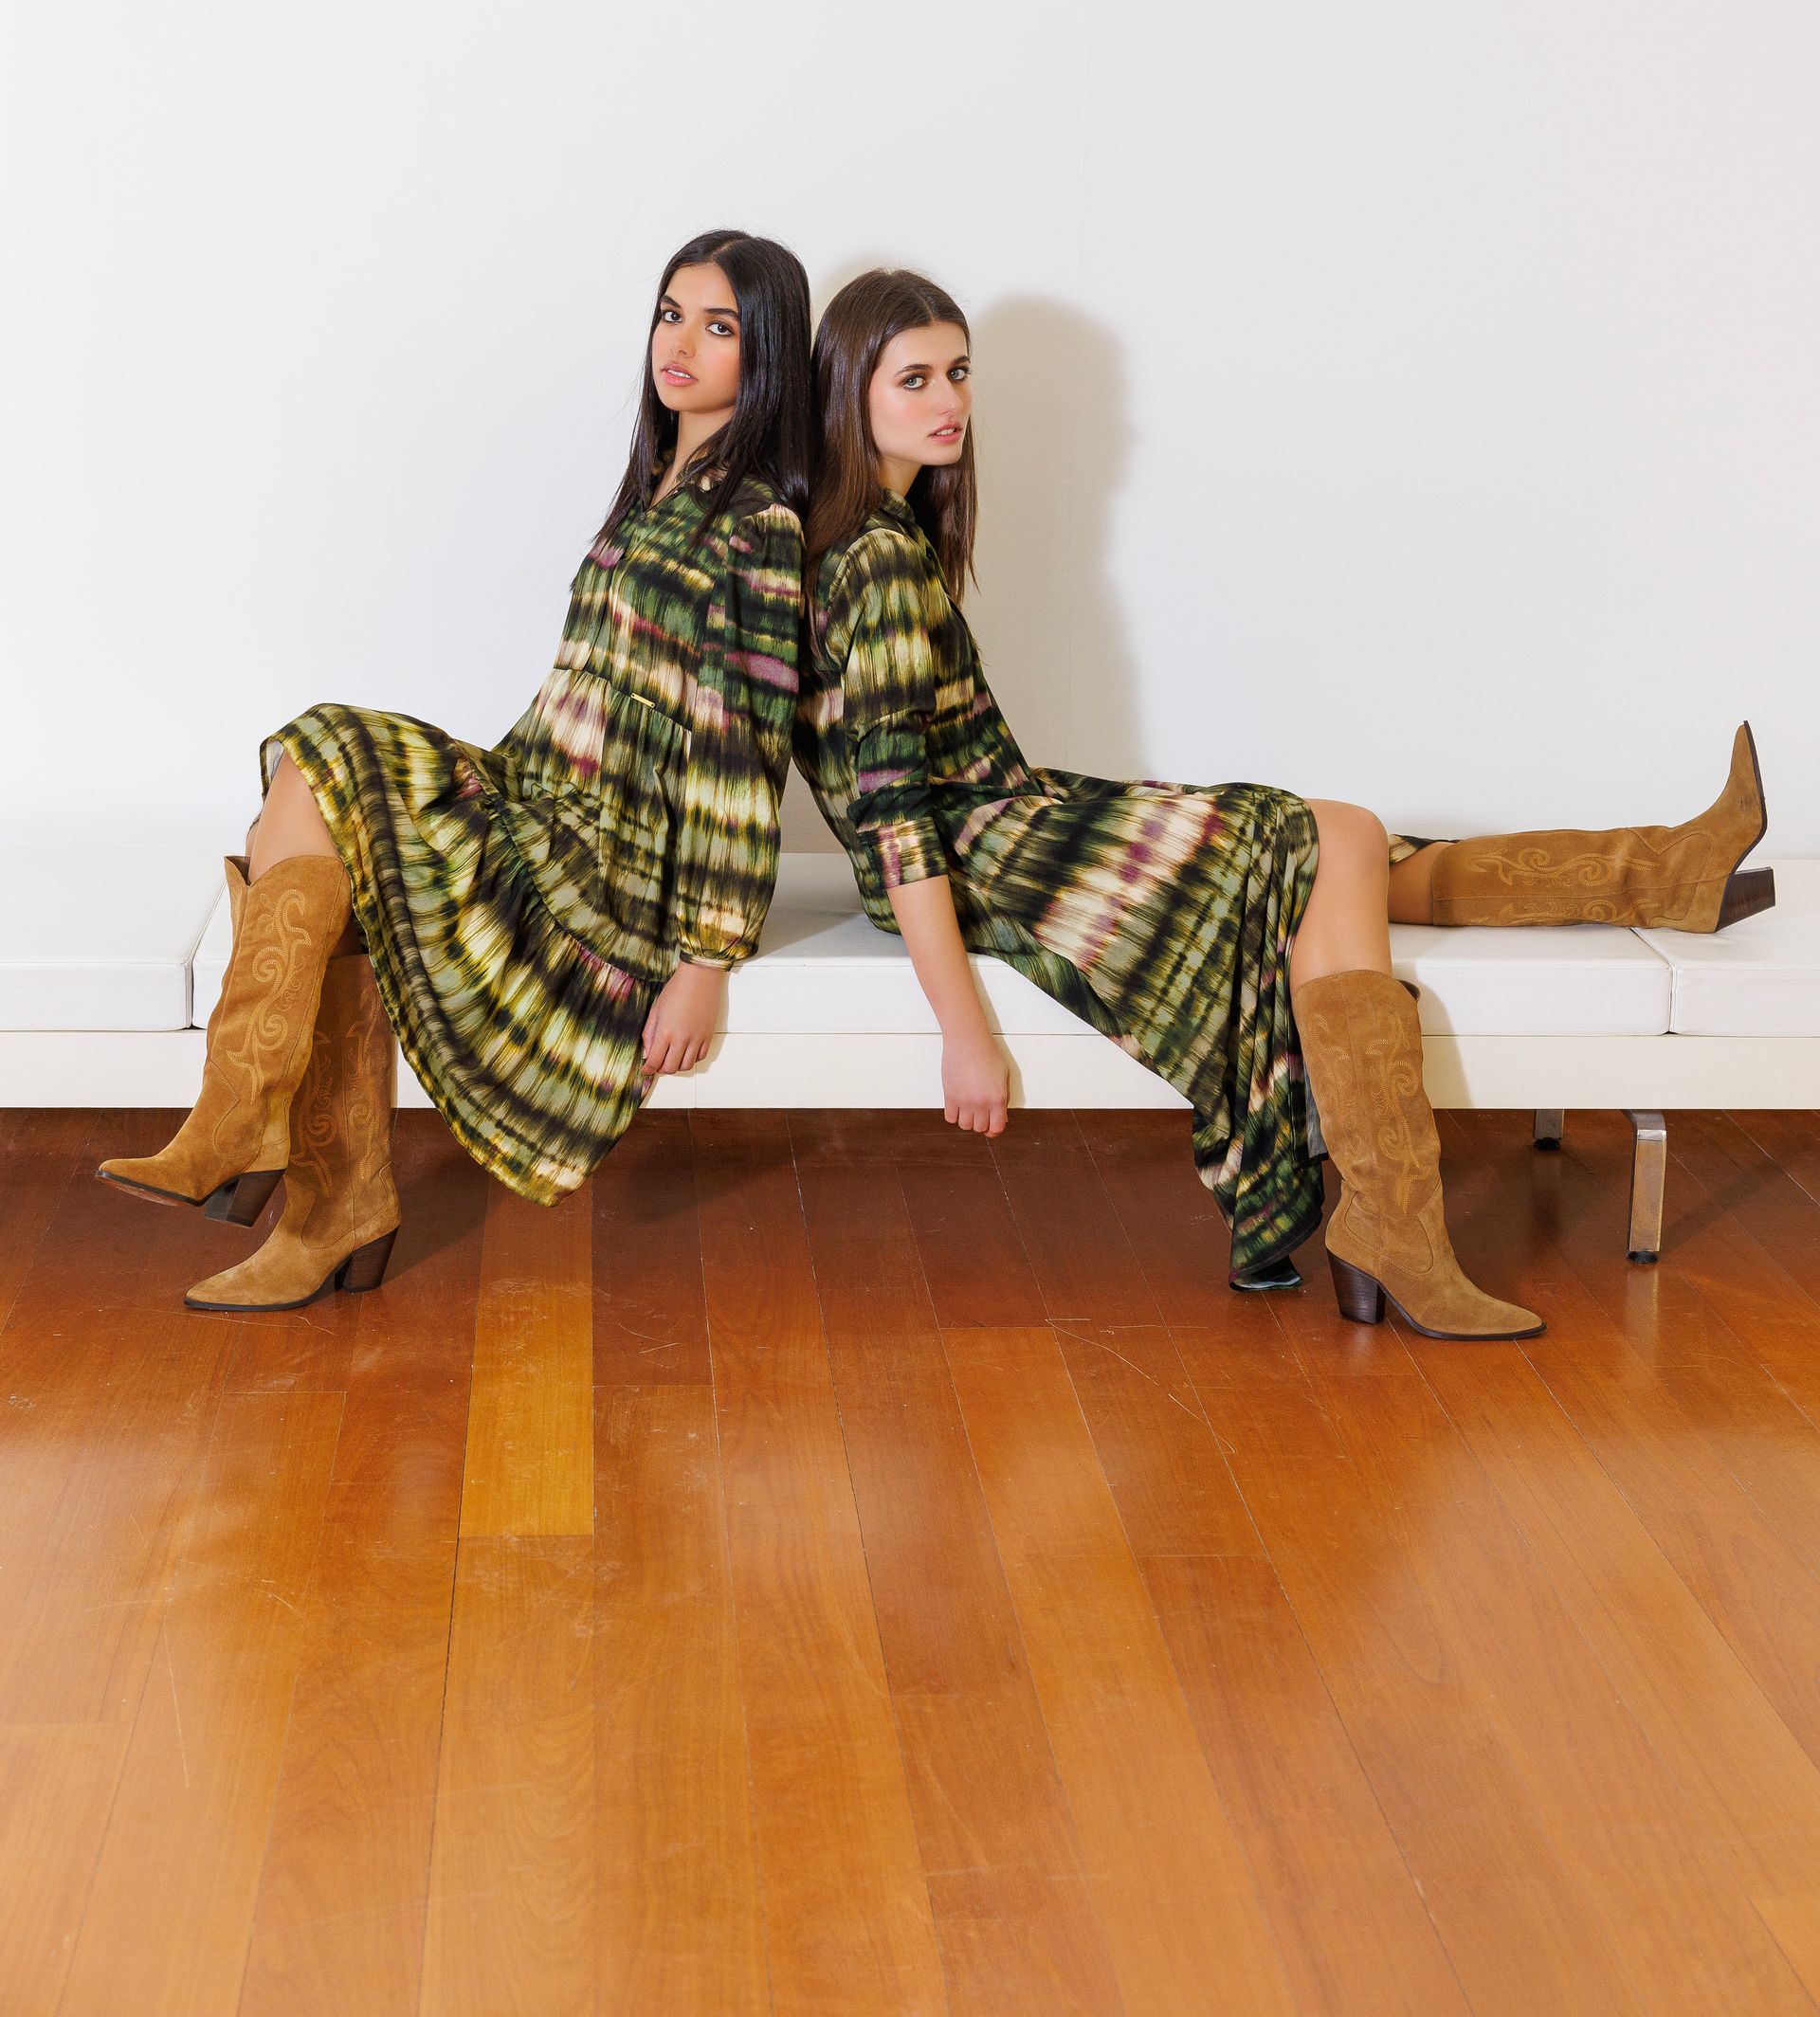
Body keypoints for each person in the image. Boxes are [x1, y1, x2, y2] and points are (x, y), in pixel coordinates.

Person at [793, 269, 1774, 1342]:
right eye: (916, 379)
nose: (951, 401)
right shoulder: (876, 559)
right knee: (1335, 836)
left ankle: (1664, 877)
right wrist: (962, 1033)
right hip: (986, 859)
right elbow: (894, 819)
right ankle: (1396, 1225)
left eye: (960, 372)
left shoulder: (883, 532)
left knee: (1336, 850)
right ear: (849, 388)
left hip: (1007, 821)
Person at [100, 230, 811, 1313]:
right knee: (315, 769)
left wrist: (708, 959)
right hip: (540, 788)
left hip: (602, 857)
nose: (681, 343)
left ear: (767, 354)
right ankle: (288, 1163)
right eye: (671, 314)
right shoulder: (656, 489)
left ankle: (263, 1142)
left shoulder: (757, 525)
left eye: (720, 327)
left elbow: (741, 755)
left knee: (330, 753)